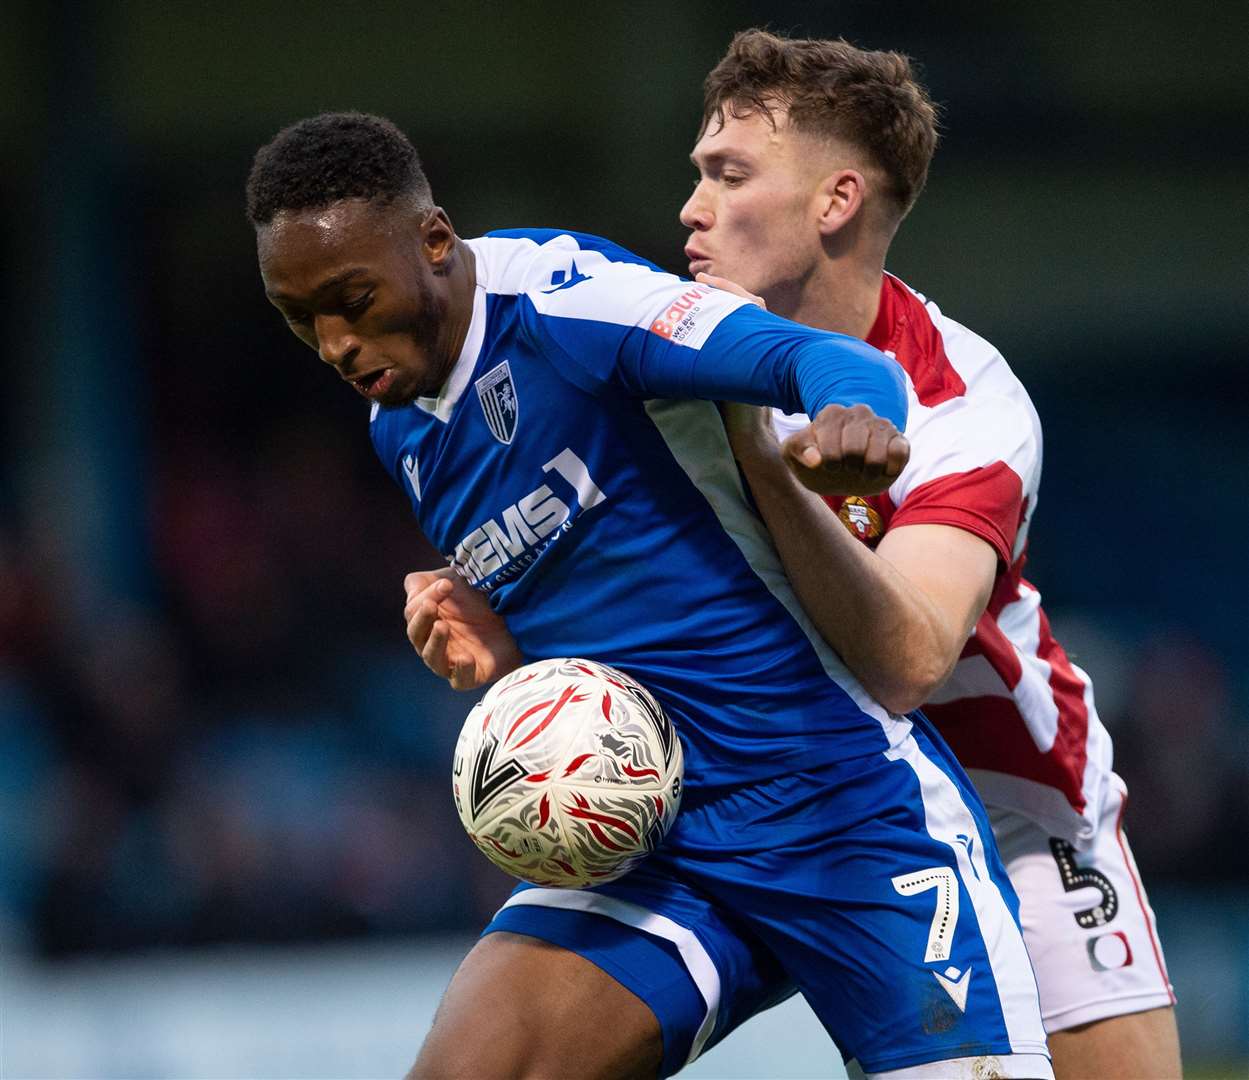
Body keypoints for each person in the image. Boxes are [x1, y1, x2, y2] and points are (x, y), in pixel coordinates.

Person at [406, 30, 1181, 1080]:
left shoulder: (966, 403)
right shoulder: (654, 346)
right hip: (748, 790)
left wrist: (764, 464)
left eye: (729, 175)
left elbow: (904, 664)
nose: (691, 207)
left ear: (835, 202)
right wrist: (512, 639)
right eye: (695, 175)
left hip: (1004, 806)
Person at [249, 112, 1051, 1078]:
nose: (335, 344)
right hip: (649, 837)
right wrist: (506, 658)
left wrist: (858, 424)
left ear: (432, 241)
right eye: (302, 321)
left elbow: (821, 360)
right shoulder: (402, 427)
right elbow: (619, 591)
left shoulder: (576, 309)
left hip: (840, 806)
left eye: (351, 298)